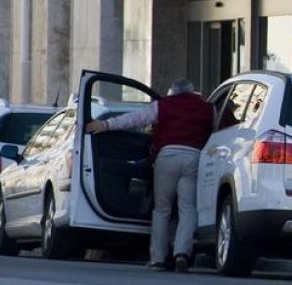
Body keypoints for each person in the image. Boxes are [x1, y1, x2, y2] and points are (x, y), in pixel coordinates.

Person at [86, 78, 214, 272]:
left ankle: (158, 258)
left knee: (162, 209)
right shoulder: (206, 108)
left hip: (167, 156)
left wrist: (105, 125)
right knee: (188, 208)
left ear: (172, 92)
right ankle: (182, 254)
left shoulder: (163, 105)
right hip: (194, 157)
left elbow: (135, 119)